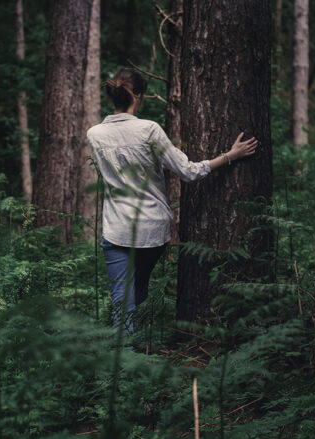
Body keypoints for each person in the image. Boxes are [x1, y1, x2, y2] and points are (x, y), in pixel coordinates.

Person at [86, 67, 258, 338]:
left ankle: (125, 360)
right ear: (138, 96)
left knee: (123, 300)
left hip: (117, 228)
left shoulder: (94, 134)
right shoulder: (149, 130)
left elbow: (120, 167)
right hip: (152, 230)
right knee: (137, 288)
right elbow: (189, 172)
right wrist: (231, 155)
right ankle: (134, 348)